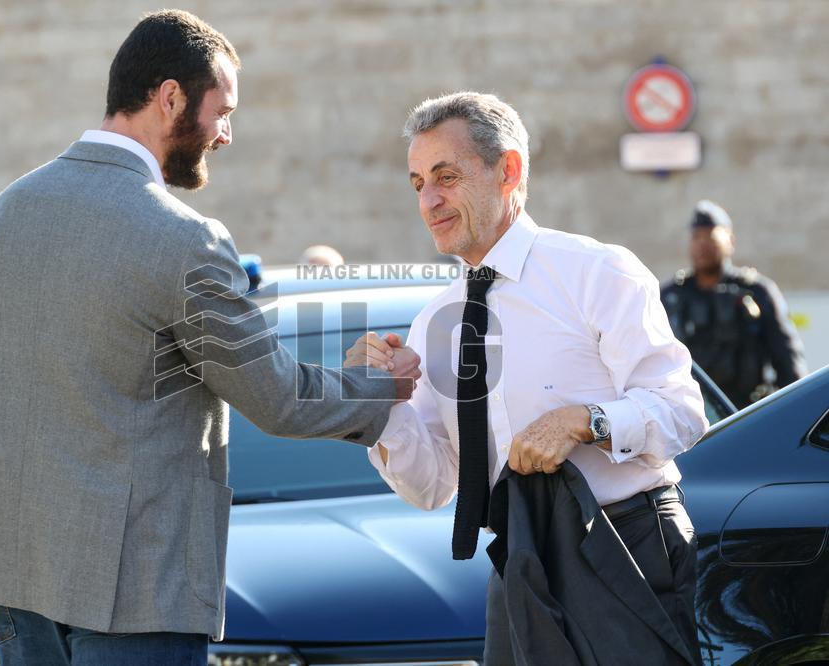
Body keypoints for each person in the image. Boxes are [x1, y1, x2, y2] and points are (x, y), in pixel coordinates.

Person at [0, 10, 419, 666]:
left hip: (16, 584)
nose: (227, 135)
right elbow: (277, 398)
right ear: (170, 99)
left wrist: (20, 528)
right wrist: (379, 384)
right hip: (140, 593)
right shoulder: (186, 241)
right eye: (223, 112)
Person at [344, 92, 708, 664]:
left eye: (446, 176)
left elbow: (684, 410)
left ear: (507, 170)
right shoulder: (432, 323)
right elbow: (433, 485)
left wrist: (585, 421)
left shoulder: (595, 272)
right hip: (519, 564)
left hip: (630, 548)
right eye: (418, 183)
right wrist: (379, 404)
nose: (429, 201)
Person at [661, 201, 806, 408]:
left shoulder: (757, 291)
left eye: (710, 236)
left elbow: (788, 361)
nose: (702, 244)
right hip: (686, 415)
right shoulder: (670, 296)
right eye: (696, 237)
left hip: (746, 414)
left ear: (730, 240)